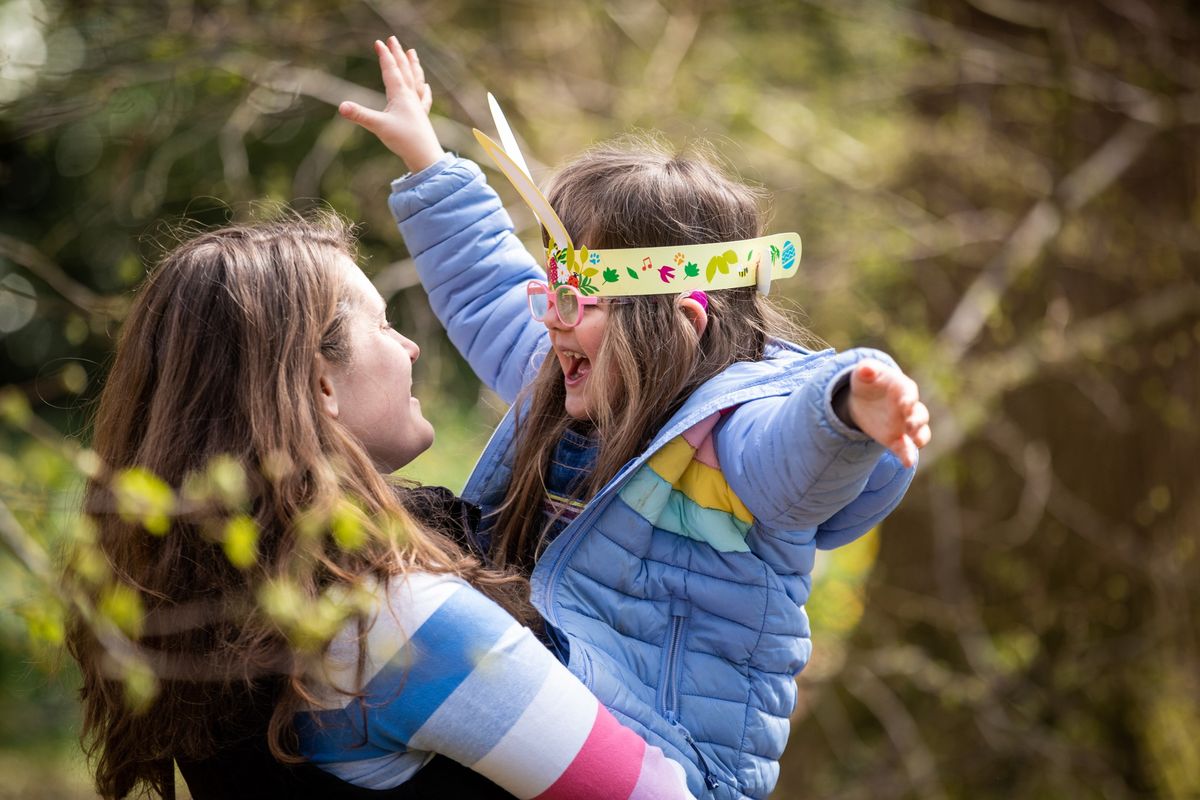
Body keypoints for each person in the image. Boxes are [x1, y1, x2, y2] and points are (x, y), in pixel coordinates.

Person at [338, 38, 932, 800]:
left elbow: (793, 462)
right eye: (550, 288)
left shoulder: (729, 437)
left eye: (576, 299)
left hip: (674, 757)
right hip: (559, 715)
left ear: (680, 322)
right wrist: (427, 157)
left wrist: (846, 411)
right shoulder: (568, 378)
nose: (551, 320)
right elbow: (489, 281)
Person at [63, 213, 696, 799]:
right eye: (385, 324)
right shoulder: (402, 628)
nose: (410, 348)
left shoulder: (197, 609)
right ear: (320, 383)